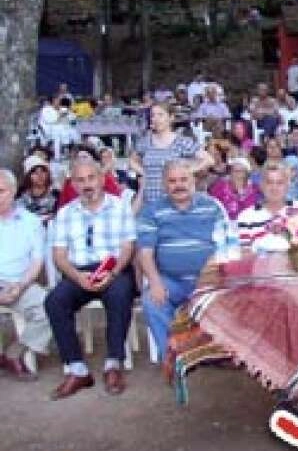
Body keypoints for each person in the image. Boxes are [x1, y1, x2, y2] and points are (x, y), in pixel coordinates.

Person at [45, 158, 136, 398]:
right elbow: (59, 256)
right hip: (79, 272)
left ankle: (113, 364)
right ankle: (77, 369)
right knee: (54, 301)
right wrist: (77, 276)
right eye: (80, 180)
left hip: (113, 269)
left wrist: (112, 273)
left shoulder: (120, 207)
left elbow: (127, 248)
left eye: (91, 178)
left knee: (120, 294)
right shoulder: (65, 213)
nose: (87, 185)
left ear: (102, 179)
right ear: (73, 184)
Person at [138, 159, 228, 360]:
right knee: (151, 300)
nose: (178, 185)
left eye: (183, 179)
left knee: (233, 298)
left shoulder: (212, 207)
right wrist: (155, 282)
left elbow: (225, 246)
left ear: (193, 181)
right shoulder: (151, 211)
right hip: (172, 281)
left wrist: (209, 274)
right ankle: (173, 359)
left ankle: (215, 355)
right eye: (172, 181)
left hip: (209, 278)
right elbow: (145, 253)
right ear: (164, 184)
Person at [0, 169, 51, 380]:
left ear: (13, 192)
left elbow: (37, 261)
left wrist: (20, 286)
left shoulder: (31, 222)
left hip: (20, 282)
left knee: (51, 305)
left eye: (1, 191)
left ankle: (14, 354)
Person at [130, 102, 212, 205]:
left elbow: (208, 160)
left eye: (160, 115)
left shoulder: (182, 142)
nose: (156, 119)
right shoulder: (145, 142)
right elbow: (132, 161)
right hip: (149, 201)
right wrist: (143, 172)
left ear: (171, 117)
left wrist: (187, 171)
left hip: (173, 201)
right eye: (153, 115)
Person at [56, 145, 123, 210]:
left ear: (94, 161)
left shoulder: (106, 179)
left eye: (84, 157)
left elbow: (117, 200)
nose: (82, 161)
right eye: (78, 158)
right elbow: (62, 206)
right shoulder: (69, 182)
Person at [16, 154, 60, 222]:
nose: (40, 175)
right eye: (35, 172)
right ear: (28, 176)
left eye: (43, 171)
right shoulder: (20, 195)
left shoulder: (56, 195)